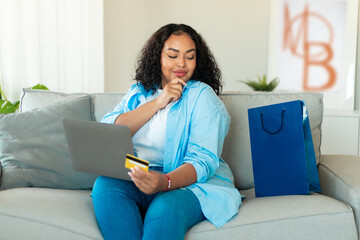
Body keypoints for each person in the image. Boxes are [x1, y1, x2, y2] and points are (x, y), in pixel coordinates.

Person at [91, 23, 242, 240]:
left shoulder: (202, 96)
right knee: (105, 185)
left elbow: (203, 161)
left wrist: (165, 182)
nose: (182, 63)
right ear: (157, 57)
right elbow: (109, 132)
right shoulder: (139, 93)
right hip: (141, 174)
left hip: (190, 184)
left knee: (164, 210)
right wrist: (158, 102)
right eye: (173, 55)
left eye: (190, 57)